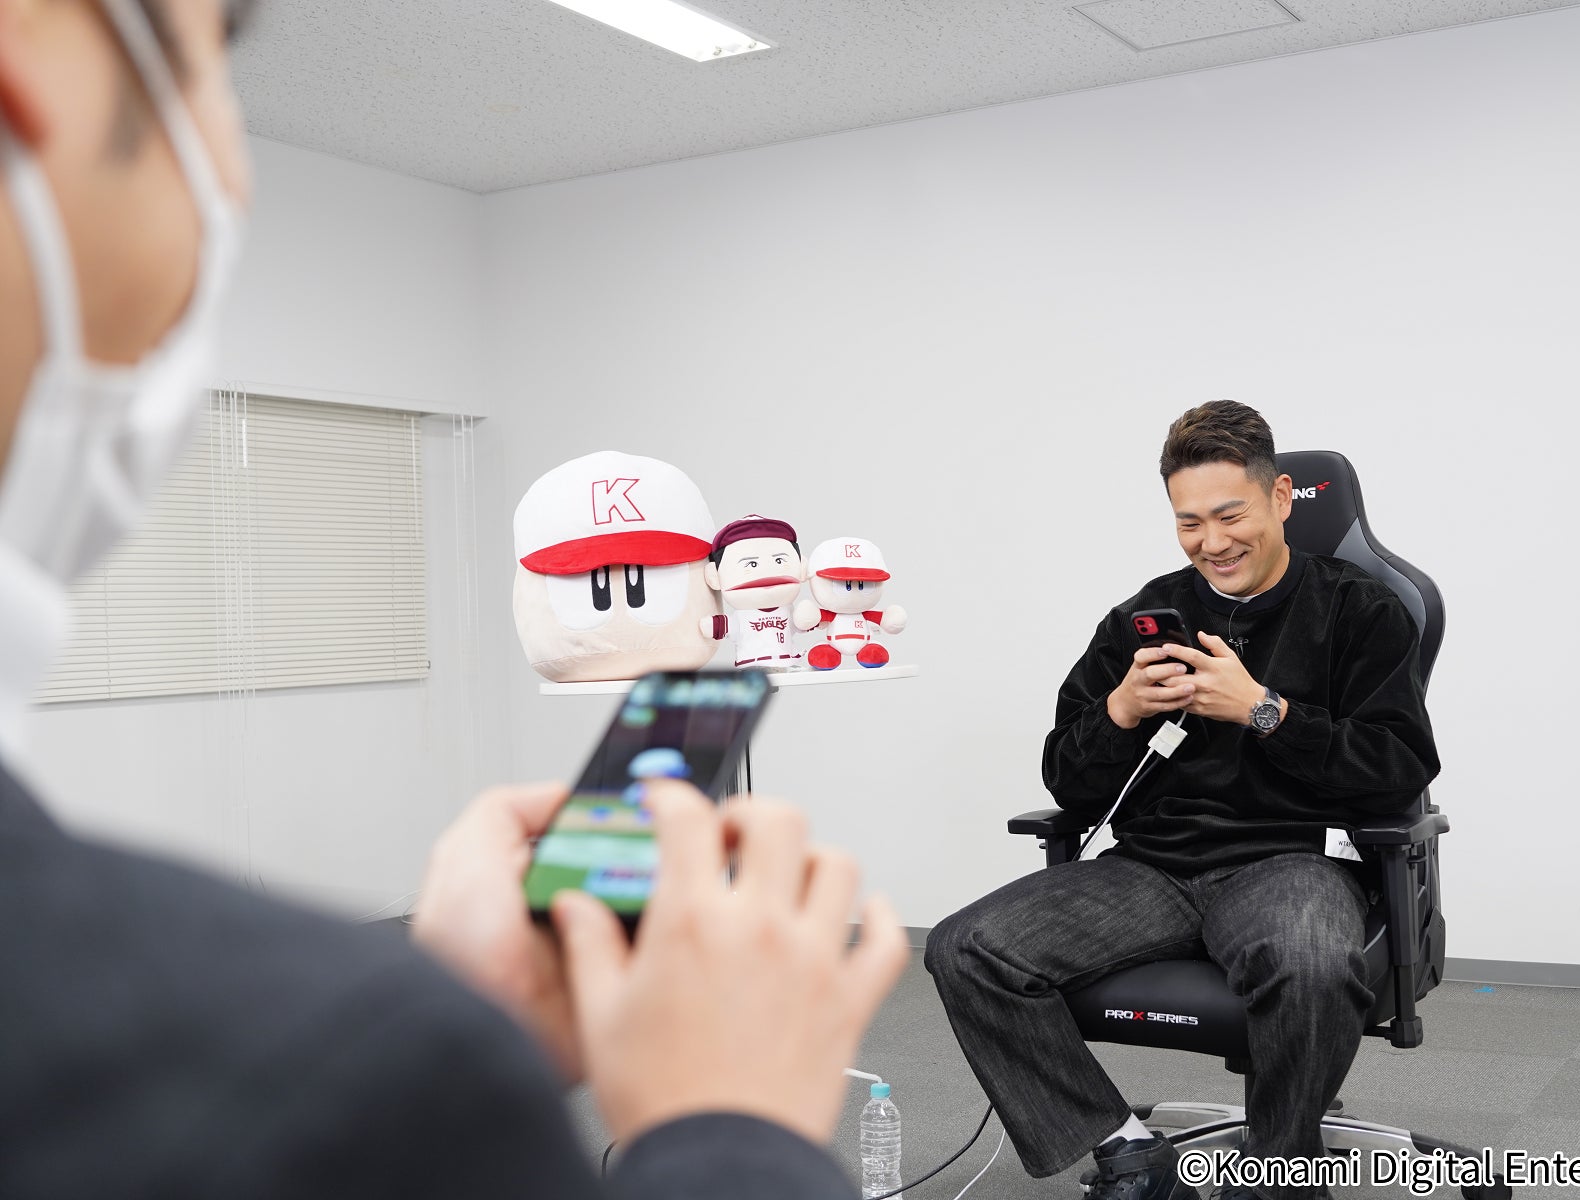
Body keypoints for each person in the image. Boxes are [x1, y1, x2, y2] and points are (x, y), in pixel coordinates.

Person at [0, 1, 907, 1196]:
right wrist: (728, 1128)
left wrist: (466, 1020)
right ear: (30, 88)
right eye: (217, 61)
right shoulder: (326, 1069)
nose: (230, 162)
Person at [925, 401, 1439, 1200]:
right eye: (1188, 522)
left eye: (1230, 516)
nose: (1212, 542)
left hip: (1289, 862)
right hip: (1153, 869)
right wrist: (1121, 711)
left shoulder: (1359, 610)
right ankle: (1130, 1152)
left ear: (1280, 498)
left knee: (1310, 961)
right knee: (966, 948)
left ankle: (1276, 1175)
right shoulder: (1143, 617)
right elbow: (1067, 778)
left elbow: (1398, 768)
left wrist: (1264, 711)